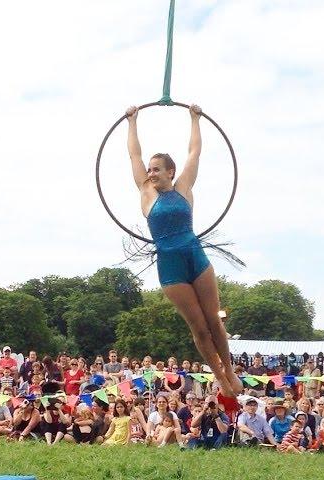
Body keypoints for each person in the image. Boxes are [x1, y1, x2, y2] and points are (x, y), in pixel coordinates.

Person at [126, 104, 243, 398]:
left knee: (214, 319)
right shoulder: (146, 194)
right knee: (199, 326)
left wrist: (195, 118)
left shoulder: (183, 188)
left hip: (195, 256)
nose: (151, 173)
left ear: (170, 172)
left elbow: (195, 152)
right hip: (170, 265)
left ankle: (229, 370)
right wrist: (132, 121)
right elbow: (134, 155)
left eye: (156, 169)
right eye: (150, 170)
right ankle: (219, 377)